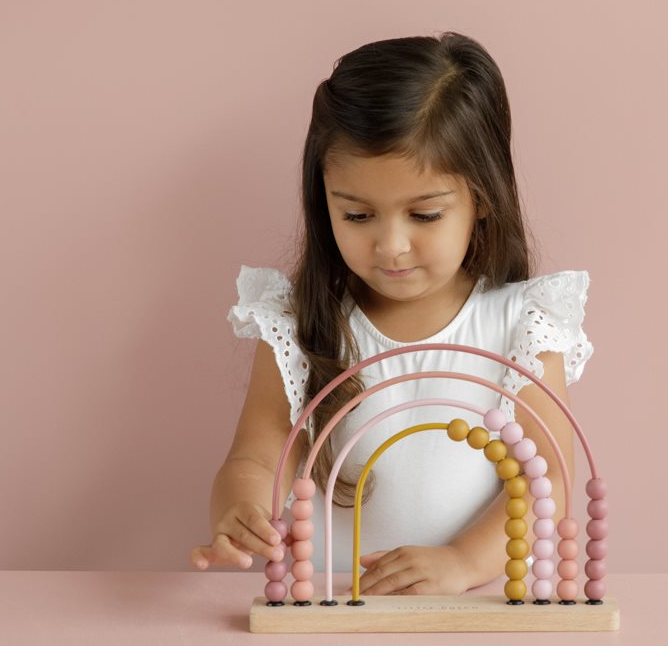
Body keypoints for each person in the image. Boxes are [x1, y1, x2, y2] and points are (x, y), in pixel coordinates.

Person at [190, 32, 593, 596]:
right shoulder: (299, 323)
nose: (391, 246)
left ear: (482, 199)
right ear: (322, 198)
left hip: (468, 622)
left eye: (425, 215)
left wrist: (460, 562)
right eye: (357, 216)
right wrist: (241, 510)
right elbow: (257, 456)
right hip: (330, 620)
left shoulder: (520, 325)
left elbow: (547, 477)